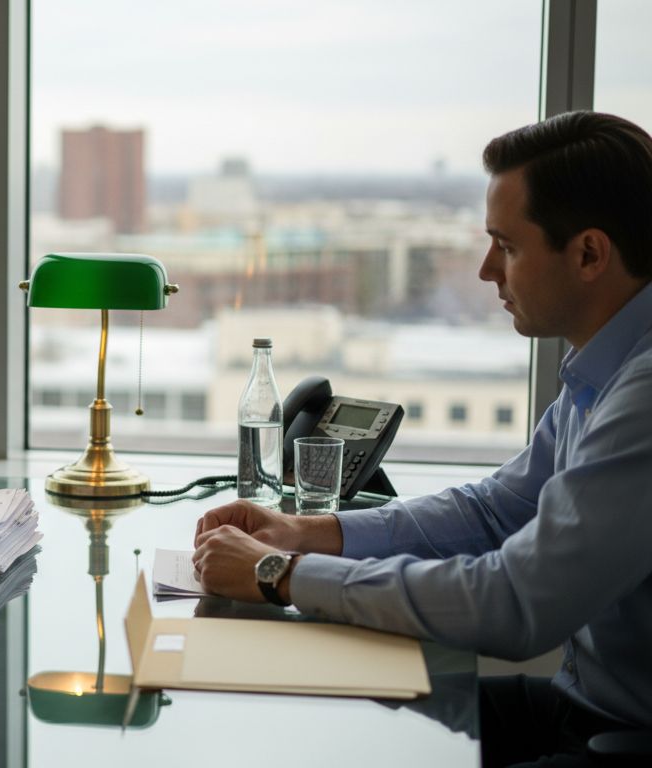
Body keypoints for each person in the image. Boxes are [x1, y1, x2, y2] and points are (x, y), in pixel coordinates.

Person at [192, 111, 652, 767]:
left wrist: (280, 574)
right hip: (580, 706)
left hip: (623, 735)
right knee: (333, 726)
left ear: (588, 254)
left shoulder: (643, 396)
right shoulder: (600, 370)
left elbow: (517, 604)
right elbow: (496, 511)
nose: (488, 270)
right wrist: (304, 533)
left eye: (508, 246)